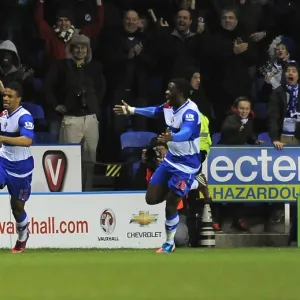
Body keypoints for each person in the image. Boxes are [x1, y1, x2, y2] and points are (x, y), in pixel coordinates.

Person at [114, 78, 209, 253]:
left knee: (171, 204)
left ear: (180, 93)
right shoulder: (168, 107)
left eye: (170, 89)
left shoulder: (190, 112)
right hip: (171, 159)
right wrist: (132, 110)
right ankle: (196, 183)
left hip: (187, 164)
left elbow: (187, 132)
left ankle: (169, 243)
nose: (166, 92)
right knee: (151, 199)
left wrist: (172, 138)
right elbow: (154, 111)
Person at [0, 82, 34, 253]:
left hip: (21, 168)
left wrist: (3, 139)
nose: (5, 98)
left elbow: (27, 141)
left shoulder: (24, 117)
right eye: (4, 95)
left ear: (18, 99)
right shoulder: (4, 113)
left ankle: (22, 236)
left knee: (17, 208)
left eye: (9, 96)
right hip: (2, 160)